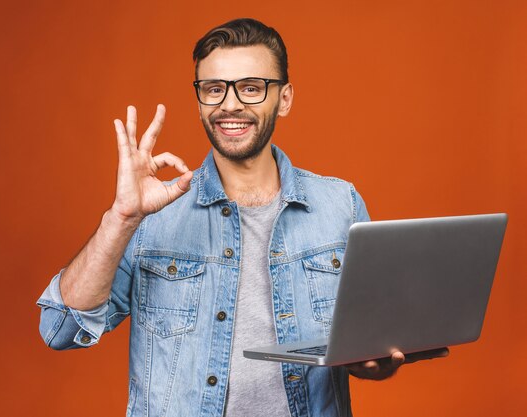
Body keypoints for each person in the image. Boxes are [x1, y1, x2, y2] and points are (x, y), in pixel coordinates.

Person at [37, 18, 447, 417]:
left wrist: (375, 360)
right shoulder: (152, 217)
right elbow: (60, 330)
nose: (230, 104)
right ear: (199, 100)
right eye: (214, 89)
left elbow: (372, 338)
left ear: (284, 98)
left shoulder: (341, 204)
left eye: (251, 88)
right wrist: (121, 217)